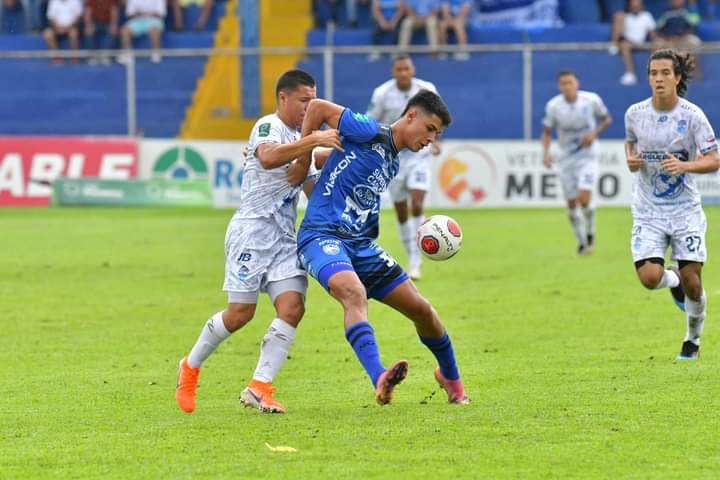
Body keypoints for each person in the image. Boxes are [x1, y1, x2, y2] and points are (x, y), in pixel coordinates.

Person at [175, 70, 343, 414]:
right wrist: (313, 143)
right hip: (251, 232)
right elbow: (268, 157)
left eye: (313, 101)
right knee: (240, 314)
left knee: (293, 307)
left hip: (283, 237)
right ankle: (190, 367)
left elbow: (311, 190)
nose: (309, 108)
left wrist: (338, 169)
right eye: (304, 101)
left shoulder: (301, 139)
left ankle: (259, 386)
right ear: (283, 98)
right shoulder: (269, 126)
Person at [293, 90, 469, 406]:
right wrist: (303, 153)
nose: (431, 139)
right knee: (353, 293)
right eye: (430, 129)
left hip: (361, 245)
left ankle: (452, 380)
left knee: (422, 310)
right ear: (411, 115)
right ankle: (380, 377)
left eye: (437, 135)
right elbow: (318, 107)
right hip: (322, 236)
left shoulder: (392, 160)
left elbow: (333, 160)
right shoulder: (368, 129)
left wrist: (321, 159)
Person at [624, 48, 719, 360]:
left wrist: (686, 166)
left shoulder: (692, 117)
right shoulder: (635, 113)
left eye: (665, 73)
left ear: (678, 78)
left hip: (684, 210)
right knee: (650, 279)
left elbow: (714, 159)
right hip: (648, 210)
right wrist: (632, 160)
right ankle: (673, 277)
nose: (659, 79)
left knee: (695, 284)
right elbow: (630, 144)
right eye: (653, 73)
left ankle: (692, 342)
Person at [367, 54, 440, 279]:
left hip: (420, 156)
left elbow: (437, 120)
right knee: (401, 211)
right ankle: (411, 256)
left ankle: (417, 261)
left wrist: (435, 141)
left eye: (406, 69)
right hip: (395, 157)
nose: (403, 73)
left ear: (413, 69)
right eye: (399, 69)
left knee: (417, 202)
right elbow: (371, 121)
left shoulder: (426, 90)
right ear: (393, 71)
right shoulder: (382, 93)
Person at [541, 70, 612, 256]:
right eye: (563, 83)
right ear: (559, 86)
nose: (567, 86)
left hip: (587, 156)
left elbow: (607, 119)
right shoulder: (554, 106)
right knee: (572, 204)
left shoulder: (591, 100)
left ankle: (590, 234)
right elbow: (547, 131)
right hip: (565, 159)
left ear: (577, 84)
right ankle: (582, 242)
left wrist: (594, 134)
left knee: (584, 198)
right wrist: (546, 153)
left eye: (570, 82)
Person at [609, 0, 657, 85]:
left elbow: (653, 34)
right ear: (630, 6)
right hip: (627, 42)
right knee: (624, 44)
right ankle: (630, 74)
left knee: (657, 45)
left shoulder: (646, 15)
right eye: (634, 6)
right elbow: (620, 33)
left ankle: (653, 72)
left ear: (641, 6)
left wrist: (655, 42)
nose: (636, 8)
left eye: (638, 6)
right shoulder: (624, 16)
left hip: (642, 43)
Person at [83, 0, 119, 64]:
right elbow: (87, 12)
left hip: (107, 23)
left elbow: (114, 11)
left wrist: (113, 24)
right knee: (88, 31)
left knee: (113, 31)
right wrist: (88, 25)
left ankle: (106, 56)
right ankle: (92, 57)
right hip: (95, 23)